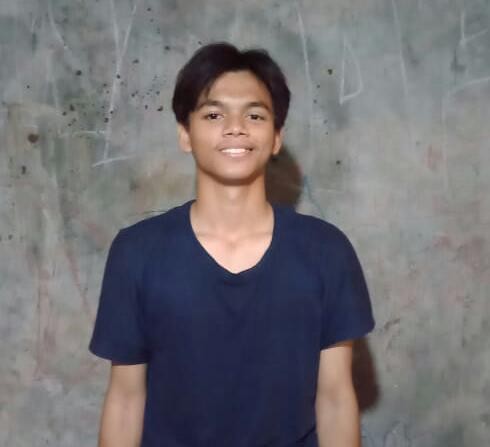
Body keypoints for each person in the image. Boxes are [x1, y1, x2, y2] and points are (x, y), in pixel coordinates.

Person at [89, 42, 375, 447]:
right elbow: (125, 399)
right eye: (214, 114)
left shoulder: (326, 252)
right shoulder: (137, 253)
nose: (235, 127)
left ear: (276, 136)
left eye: (255, 115)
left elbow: (335, 398)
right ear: (185, 134)